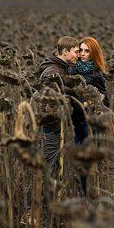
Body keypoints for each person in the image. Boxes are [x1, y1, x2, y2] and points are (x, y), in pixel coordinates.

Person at [68, 36, 110, 195]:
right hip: (75, 120)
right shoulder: (71, 70)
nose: (83, 54)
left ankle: (88, 193)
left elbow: (105, 100)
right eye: (81, 50)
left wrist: (91, 102)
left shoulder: (96, 73)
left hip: (90, 122)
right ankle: (79, 190)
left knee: (88, 159)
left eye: (87, 51)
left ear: (93, 53)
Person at [36, 36, 80, 172]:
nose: (78, 55)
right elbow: (47, 103)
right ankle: (47, 190)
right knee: (49, 161)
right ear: (65, 51)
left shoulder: (62, 68)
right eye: (76, 51)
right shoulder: (54, 72)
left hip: (55, 124)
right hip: (51, 125)